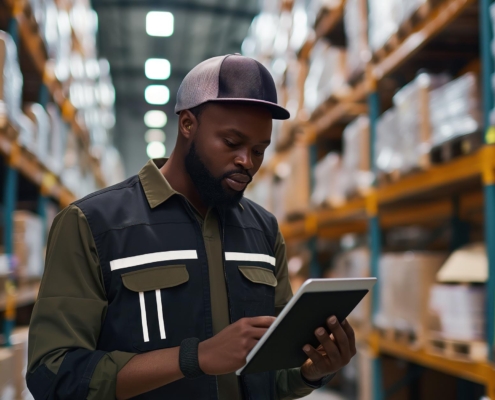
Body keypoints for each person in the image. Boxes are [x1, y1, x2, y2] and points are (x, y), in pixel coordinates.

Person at [27, 54, 357, 400]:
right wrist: (195, 358)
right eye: (232, 143)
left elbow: (271, 375)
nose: (247, 161)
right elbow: (53, 374)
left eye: (259, 150)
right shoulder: (94, 225)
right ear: (187, 125)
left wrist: (311, 370)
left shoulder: (262, 231)